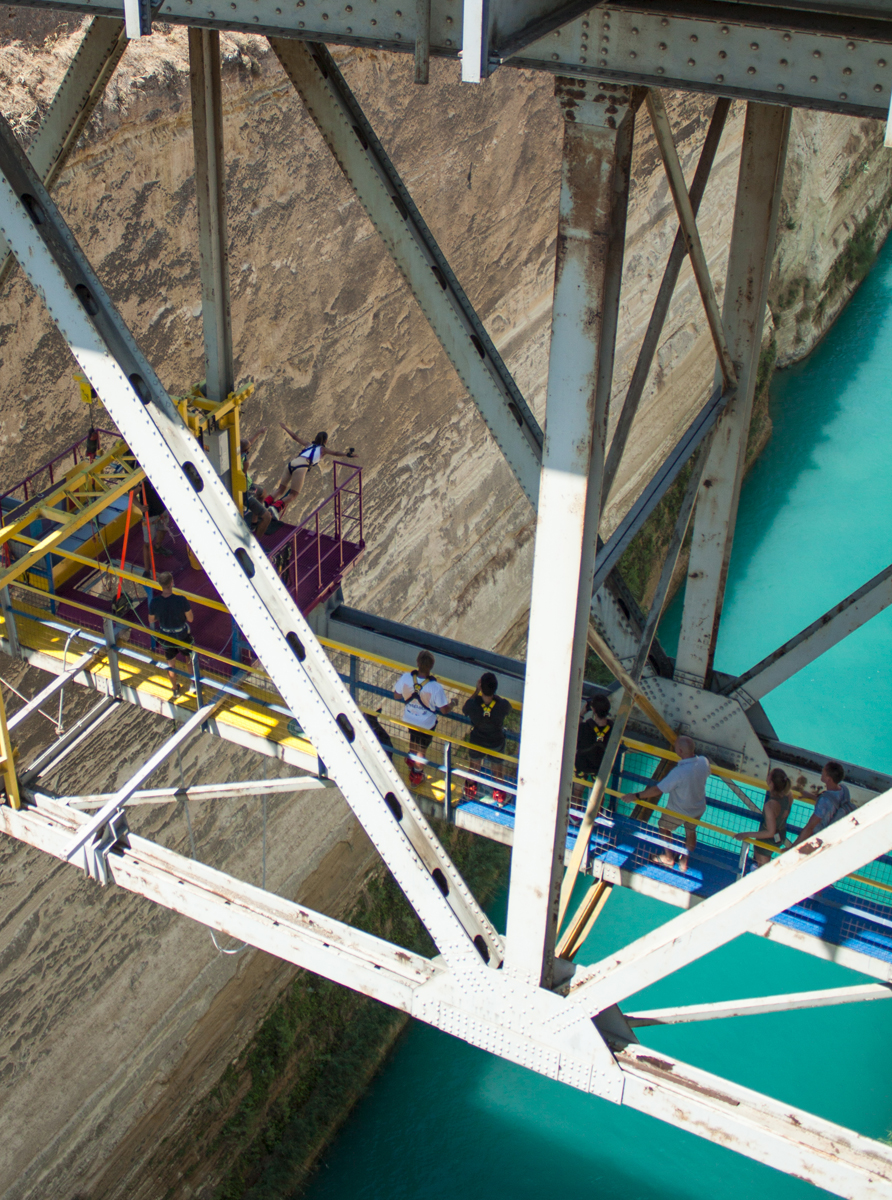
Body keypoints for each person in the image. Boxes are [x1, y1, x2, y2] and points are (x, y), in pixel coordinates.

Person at [622, 735, 709, 872]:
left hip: (679, 810)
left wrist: (636, 796)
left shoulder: (678, 772)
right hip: (698, 807)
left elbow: (658, 789)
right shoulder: (704, 762)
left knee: (663, 827)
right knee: (691, 831)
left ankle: (668, 858)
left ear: (679, 751)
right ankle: (684, 861)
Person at [393, 651, 454, 787]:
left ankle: (411, 760)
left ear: (417, 663)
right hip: (426, 724)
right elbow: (444, 710)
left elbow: (397, 696)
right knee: (422, 749)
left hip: (409, 718)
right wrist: (453, 703)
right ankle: (417, 774)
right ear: (431, 667)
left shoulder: (406, 678)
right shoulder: (435, 687)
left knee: (413, 738)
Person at [268, 425, 356, 518]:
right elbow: (336, 453)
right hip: (302, 466)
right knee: (293, 494)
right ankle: (275, 507)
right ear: (325, 441)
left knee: (280, 489)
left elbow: (295, 437)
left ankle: (266, 503)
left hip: (291, 463)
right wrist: (347, 454)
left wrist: (285, 427)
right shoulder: (323, 449)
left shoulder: (308, 444)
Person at [462, 673, 513, 805]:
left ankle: (469, 792)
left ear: (481, 686)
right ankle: (500, 797)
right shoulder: (502, 705)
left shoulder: (474, 704)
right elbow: (507, 708)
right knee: (497, 770)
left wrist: (476, 691)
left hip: (477, 740)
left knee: (474, 767)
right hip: (496, 741)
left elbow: (465, 708)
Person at [734, 767, 794, 867]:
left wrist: (745, 834)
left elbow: (770, 832)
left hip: (767, 840)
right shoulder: (789, 795)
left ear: (771, 783)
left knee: (762, 867)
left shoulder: (770, 805)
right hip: (781, 834)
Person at [148, 571, 194, 696]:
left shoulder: (155, 602)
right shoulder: (181, 600)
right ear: (172, 583)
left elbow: (151, 619)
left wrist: (161, 616)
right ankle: (193, 685)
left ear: (160, 585)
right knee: (188, 659)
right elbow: (190, 619)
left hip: (166, 635)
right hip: (182, 635)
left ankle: (175, 689)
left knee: (171, 663)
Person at [793, 761, 856, 846]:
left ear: (828, 779)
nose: (822, 771)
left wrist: (793, 847)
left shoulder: (824, 800)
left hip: (818, 840)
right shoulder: (844, 789)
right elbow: (831, 803)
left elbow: (810, 827)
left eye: (824, 772)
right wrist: (811, 796)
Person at [137, 479, 171, 574]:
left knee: (163, 529)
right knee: (147, 543)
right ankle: (147, 570)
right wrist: (140, 507)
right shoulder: (143, 482)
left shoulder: (158, 477)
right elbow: (132, 493)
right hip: (150, 515)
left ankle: (158, 547)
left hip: (161, 509)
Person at [575, 695, 613, 777]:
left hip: (583, 765)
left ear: (593, 709)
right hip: (601, 768)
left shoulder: (585, 727)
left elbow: (574, 733)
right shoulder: (613, 729)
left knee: (578, 788)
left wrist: (582, 714)